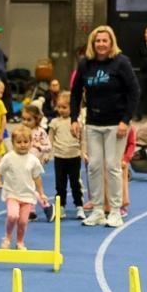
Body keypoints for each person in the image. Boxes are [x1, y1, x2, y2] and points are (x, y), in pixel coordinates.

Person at [70, 24, 140, 229]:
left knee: (112, 167)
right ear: (93, 43)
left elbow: (134, 92)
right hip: (93, 123)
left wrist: (125, 121)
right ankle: (98, 210)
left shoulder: (121, 63)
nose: (101, 44)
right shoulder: (85, 64)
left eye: (105, 41)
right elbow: (75, 93)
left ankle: (116, 211)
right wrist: (74, 119)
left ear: (111, 43)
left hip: (115, 125)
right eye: (98, 41)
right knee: (93, 167)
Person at [0, 123, 48, 250]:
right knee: (13, 216)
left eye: (25, 142)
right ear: (13, 143)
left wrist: (42, 193)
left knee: (23, 221)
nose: (22, 145)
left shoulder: (33, 160)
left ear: (30, 143)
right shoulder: (8, 158)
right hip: (12, 193)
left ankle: (20, 242)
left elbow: (37, 178)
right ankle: (7, 237)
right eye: (19, 142)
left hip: (27, 195)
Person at [49, 90, 84, 218]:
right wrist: (47, 154)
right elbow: (50, 139)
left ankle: (79, 206)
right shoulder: (54, 122)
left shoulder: (77, 123)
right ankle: (60, 206)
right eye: (59, 107)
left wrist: (84, 153)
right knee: (60, 184)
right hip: (59, 157)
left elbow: (82, 139)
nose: (61, 110)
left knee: (75, 183)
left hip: (74, 156)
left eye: (64, 107)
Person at [20, 104, 54, 220]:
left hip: (34, 163)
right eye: (23, 119)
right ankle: (31, 211)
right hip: (22, 163)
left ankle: (47, 206)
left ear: (37, 119)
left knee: (29, 187)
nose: (25, 122)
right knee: (29, 188)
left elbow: (48, 146)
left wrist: (41, 148)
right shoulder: (21, 131)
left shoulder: (40, 132)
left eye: (29, 119)